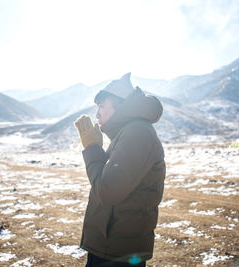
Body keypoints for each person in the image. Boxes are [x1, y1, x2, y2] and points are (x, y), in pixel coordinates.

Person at [74, 73, 166, 267]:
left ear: (121, 107)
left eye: (102, 107)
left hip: (118, 254)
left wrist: (92, 149)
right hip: (113, 247)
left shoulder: (137, 133)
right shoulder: (128, 133)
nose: (97, 114)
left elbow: (107, 191)